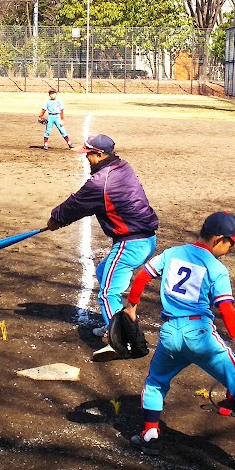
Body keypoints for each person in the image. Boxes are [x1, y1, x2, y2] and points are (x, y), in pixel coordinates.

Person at [126, 211, 235, 469]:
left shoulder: (172, 253)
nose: (233, 247)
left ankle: (149, 436)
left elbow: (141, 276)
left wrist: (131, 307)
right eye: (232, 242)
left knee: (156, 382)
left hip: (169, 334)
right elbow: (226, 310)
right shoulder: (216, 268)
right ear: (218, 239)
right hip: (200, 335)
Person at [47, 134, 158, 337]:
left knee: (107, 294)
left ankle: (122, 340)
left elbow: (77, 204)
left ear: (99, 154)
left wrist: (56, 219)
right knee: (103, 272)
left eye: (88, 154)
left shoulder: (101, 182)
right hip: (147, 239)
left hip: (131, 243)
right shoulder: (123, 167)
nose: (86, 158)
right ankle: (114, 322)